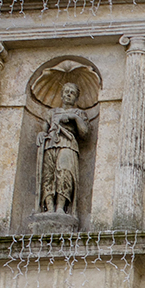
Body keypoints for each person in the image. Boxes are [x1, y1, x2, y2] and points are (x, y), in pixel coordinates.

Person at [37, 82, 91, 215]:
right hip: (50, 143)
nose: (68, 94)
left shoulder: (79, 113)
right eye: (66, 91)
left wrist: (74, 117)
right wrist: (41, 133)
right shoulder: (52, 112)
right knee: (48, 175)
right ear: (61, 95)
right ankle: (49, 208)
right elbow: (44, 128)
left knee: (64, 173)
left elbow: (84, 133)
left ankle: (61, 208)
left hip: (68, 143)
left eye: (72, 93)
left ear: (76, 98)